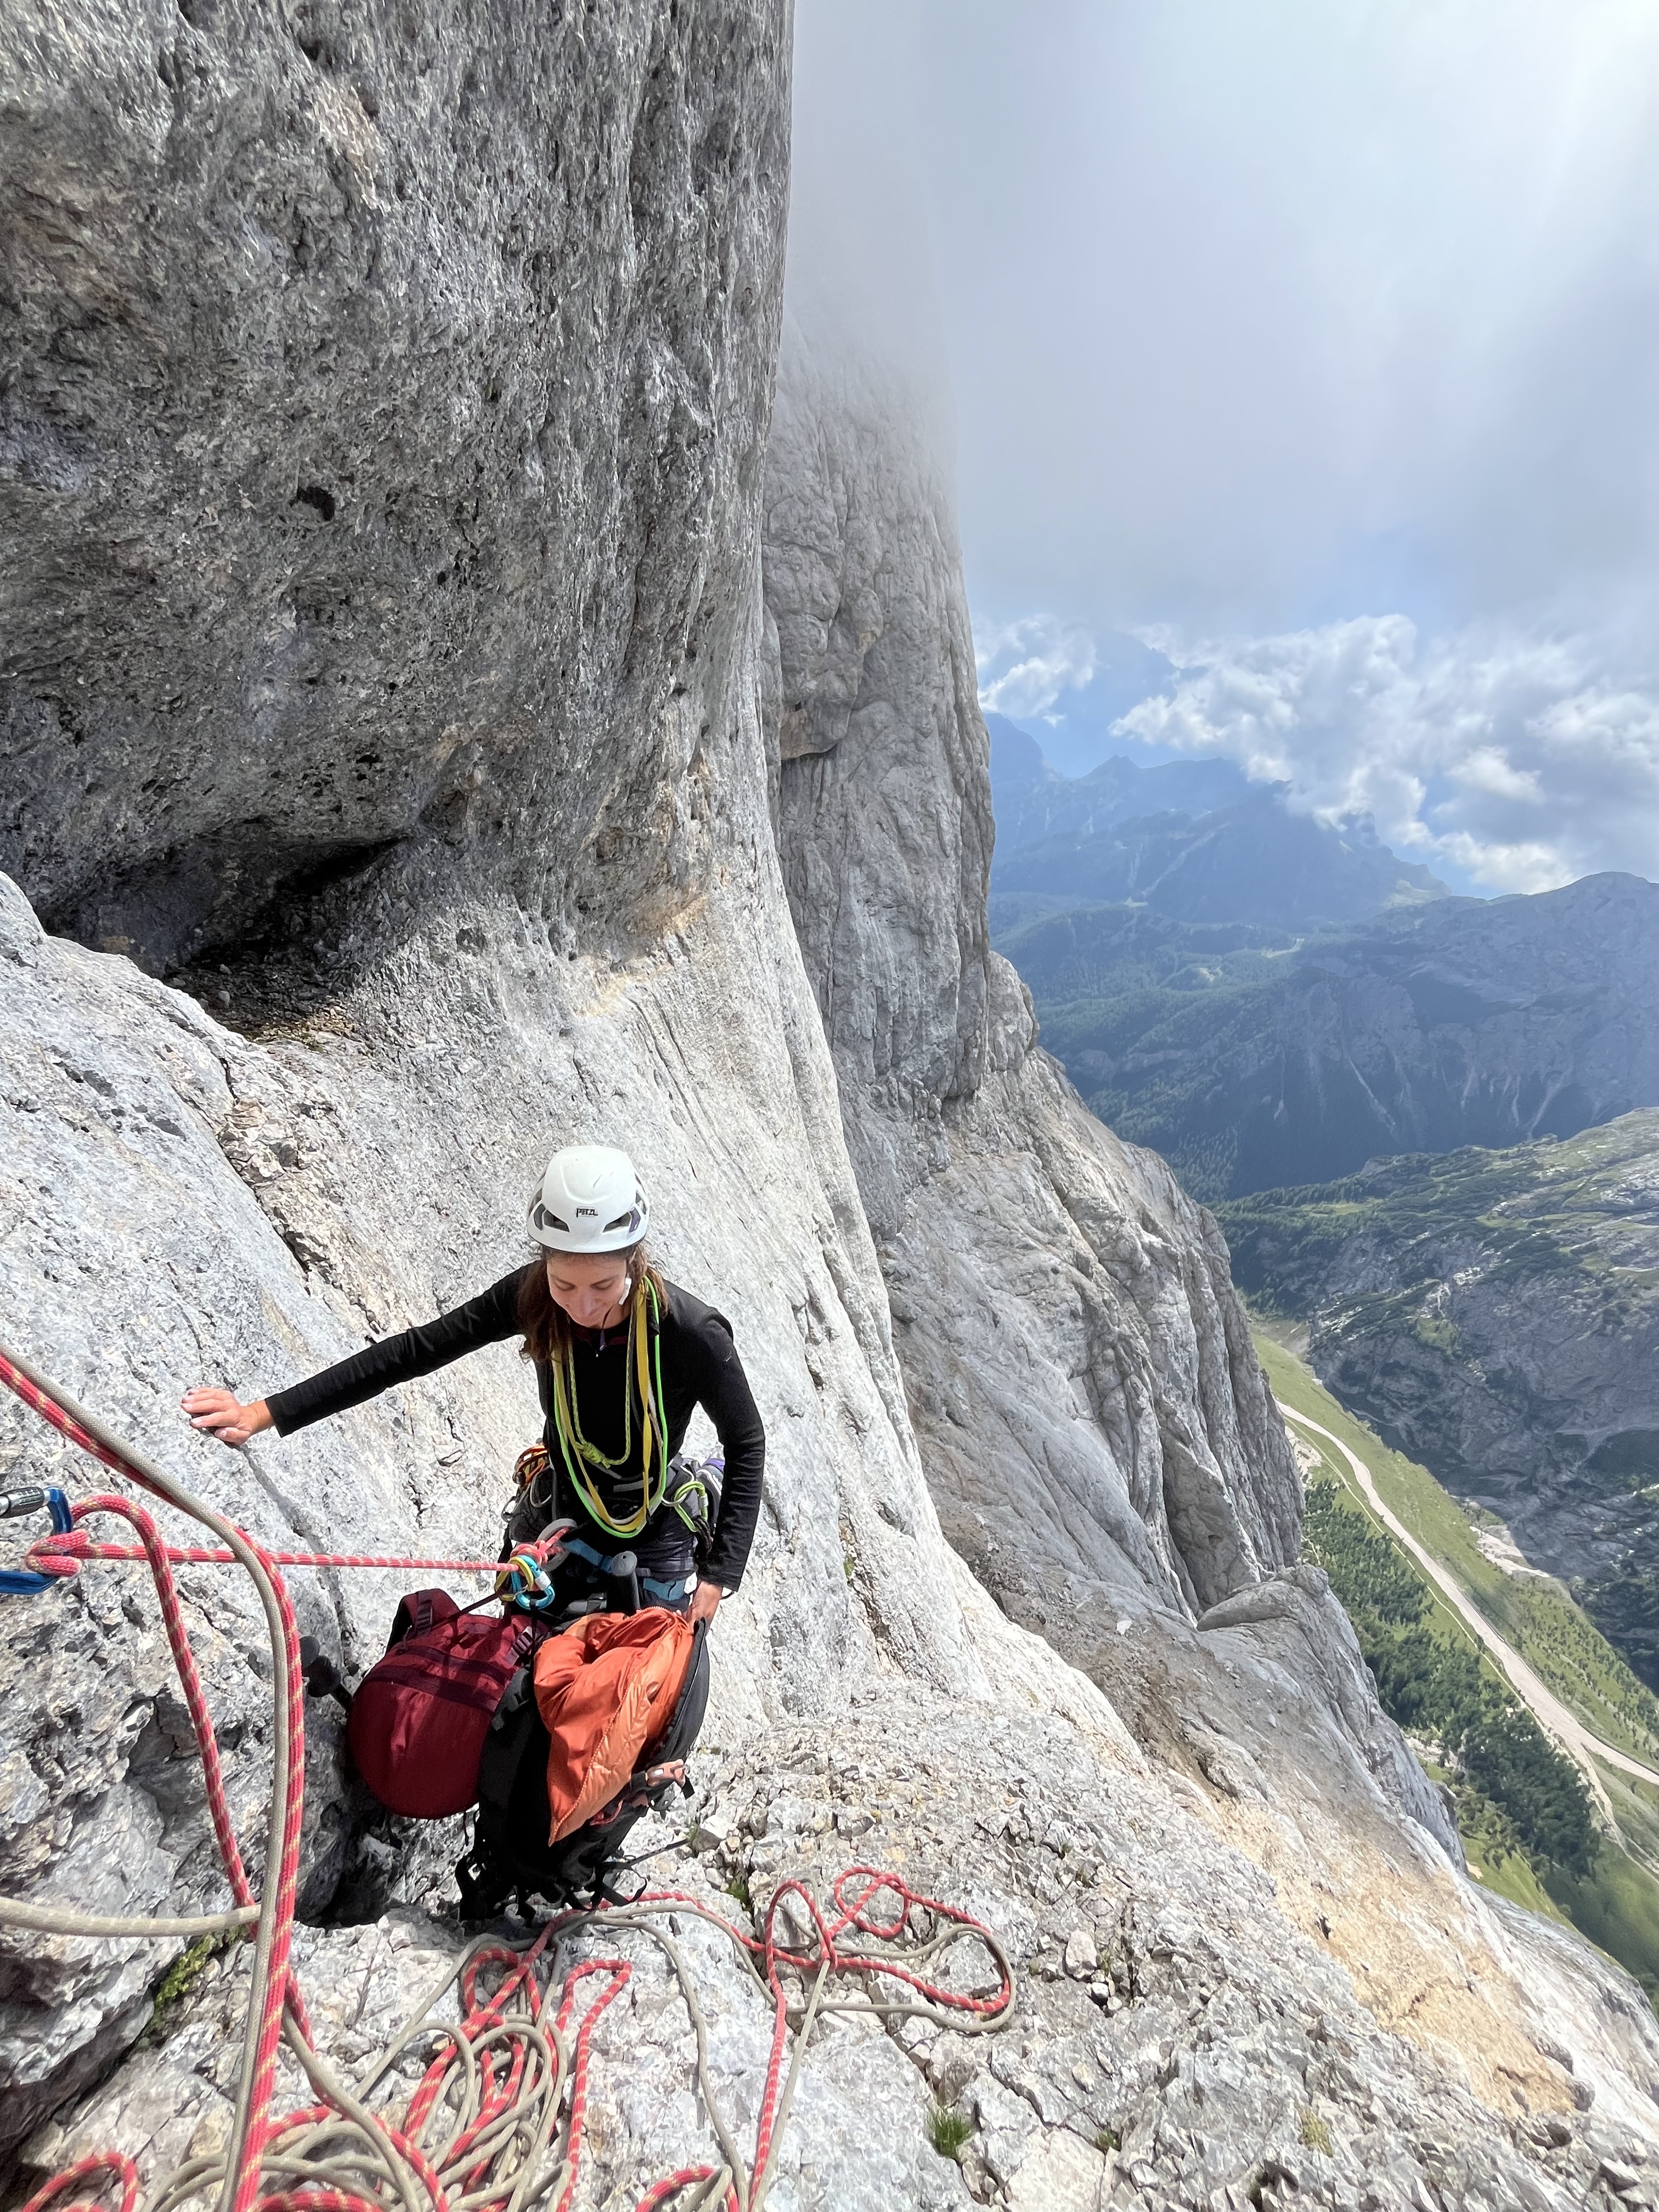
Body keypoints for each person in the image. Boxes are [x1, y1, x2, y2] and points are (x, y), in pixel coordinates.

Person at [181, 1146, 763, 1626]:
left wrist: (718, 1578)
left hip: (650, 1516)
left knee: (644, 1697)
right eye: (565, 1285)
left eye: (603, 1286)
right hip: (562, 1507)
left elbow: (746, 1442)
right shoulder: (533, 1299)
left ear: (635, 1260)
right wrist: (266, 1413)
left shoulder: (688, 1331)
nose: (582, 1308)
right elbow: (414, 1352)